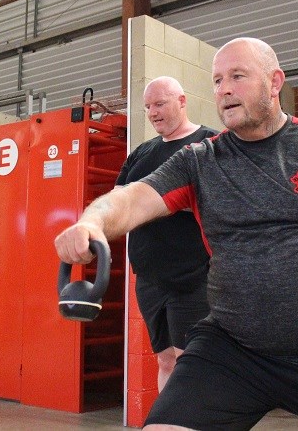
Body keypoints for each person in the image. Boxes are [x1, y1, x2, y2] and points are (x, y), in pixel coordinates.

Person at [55, 37, 298, 430]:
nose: (223, 88)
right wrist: (91, 222)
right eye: (216, 80)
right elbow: (130, 200)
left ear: (275, 82)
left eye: (237, 76)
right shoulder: (201, 160)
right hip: (232, 349)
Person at [116, 76, 216, 392]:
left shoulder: (209, 144)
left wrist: (156, 201)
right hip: (149, 279)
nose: (153, 112)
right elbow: (120, 203)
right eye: (148, 106)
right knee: (166, 361)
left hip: (193, 277)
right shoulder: (142, 153)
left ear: (182, 101)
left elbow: (218, 202)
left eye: (160, 104)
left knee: (191, 362)